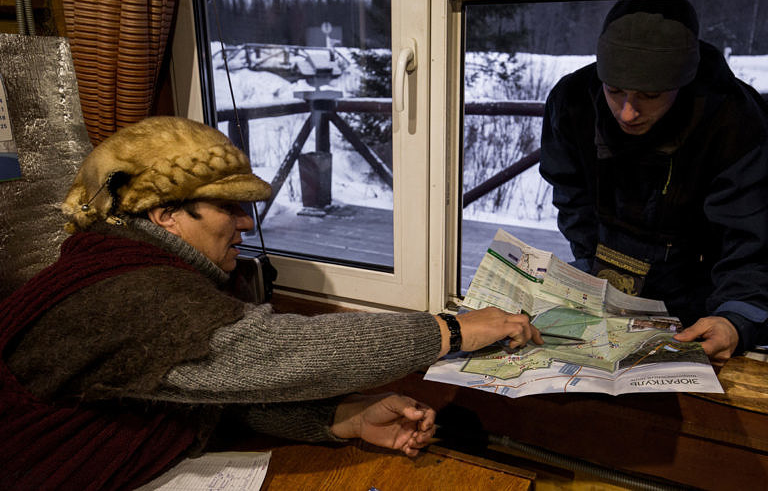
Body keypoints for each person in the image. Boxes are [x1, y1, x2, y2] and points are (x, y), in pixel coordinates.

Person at [0, 116, 542, 490]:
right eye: (228, 206)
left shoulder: (122, 266)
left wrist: (341, 419)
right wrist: (450, 330)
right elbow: (271, 351)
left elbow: (198, 387)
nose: (244, 222)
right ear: (165, 214)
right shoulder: (134, 294)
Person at [540, 0, 768, 366]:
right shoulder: (573, 102)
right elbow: (571, 196)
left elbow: (761, 246)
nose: (628, 113)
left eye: (650, 96)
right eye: (614, 91)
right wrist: (589, 263)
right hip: (608, 298)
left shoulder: (737, 125)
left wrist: (736, 319)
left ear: (684, 82)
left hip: (701, 307)